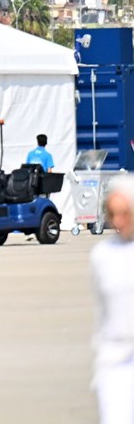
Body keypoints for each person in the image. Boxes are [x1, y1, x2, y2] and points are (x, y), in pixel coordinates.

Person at [90, 176, 134, 424]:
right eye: (113, 214)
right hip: (114, 356)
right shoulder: (102, 255)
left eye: (124, 213)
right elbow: (101, 310)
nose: (118, 221)